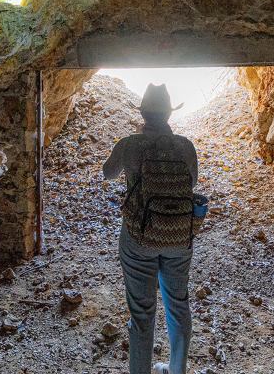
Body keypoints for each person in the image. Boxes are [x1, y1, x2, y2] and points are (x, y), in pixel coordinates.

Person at [103, 83, 199, 374]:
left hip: (139, 236)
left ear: (143, 113)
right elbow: (192, 183)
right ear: (169, 114)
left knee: (142, 313)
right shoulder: (185, 145)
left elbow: (107, 174)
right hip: (178, 236)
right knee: (178, 305)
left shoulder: (130, 144)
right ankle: (176, 369)